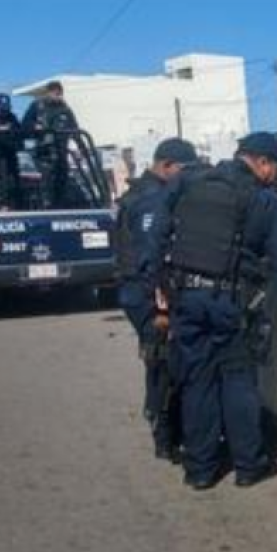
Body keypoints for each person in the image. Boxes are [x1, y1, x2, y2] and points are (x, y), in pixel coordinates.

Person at [153, 132, 277, 490]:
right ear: (263, 162)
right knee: (238, 381)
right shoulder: (264, 199)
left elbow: (158, 232)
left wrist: (160, 285)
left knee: (198, 383)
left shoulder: (189, 180)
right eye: (274, 167)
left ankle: (200, 470)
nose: (274, 175)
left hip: (185, 297)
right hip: (229, 303)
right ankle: (249, 466)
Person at [116, 137, 200, 463]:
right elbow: (153, 261)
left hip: (139, 289)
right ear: (166, 166)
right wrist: (160, 307)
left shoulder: (141, 195)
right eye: (183, 170)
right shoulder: (152, 199)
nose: (186, 177)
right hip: (146, 292)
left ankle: (166, 428)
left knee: (162, 362)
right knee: (164, 363)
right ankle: (166, 437)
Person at [22, 80, 80, 208]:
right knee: (46, 178)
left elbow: (75, 128)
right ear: (48, 93)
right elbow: (25, 126)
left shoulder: (65, 109)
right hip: (44, 151)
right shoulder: (37, 106)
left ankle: (60, 204)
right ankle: (46, 204)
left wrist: (79, 148)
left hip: (61, 150)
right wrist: (34, 127)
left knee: (62, 177)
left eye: (60, 93)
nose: (58, 96)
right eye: (55, 93)